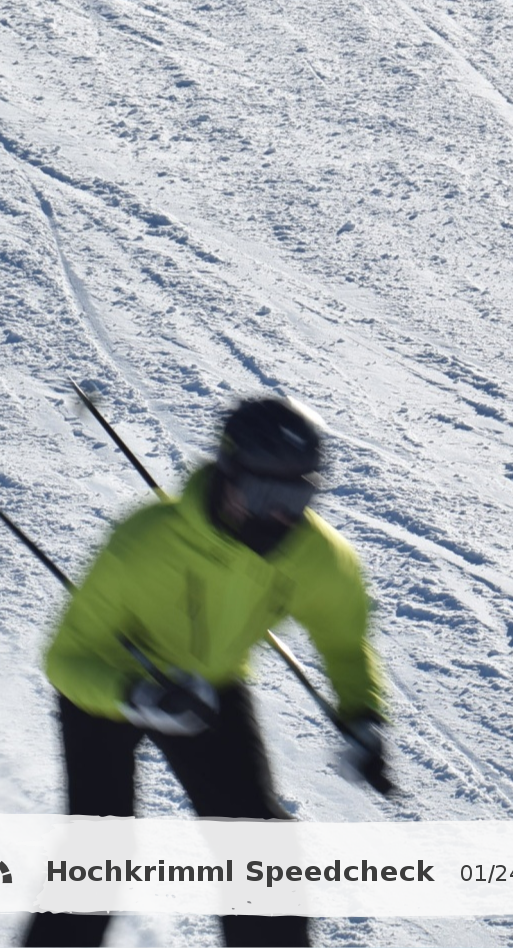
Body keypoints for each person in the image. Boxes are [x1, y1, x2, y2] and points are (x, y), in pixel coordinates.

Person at [24, 398, 387, 948]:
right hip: (112, 684)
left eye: (298, 498)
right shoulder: (145, 543)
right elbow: (66, 658)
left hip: (209, 686)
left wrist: (363, 714)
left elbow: (344, 640)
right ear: (228, 474)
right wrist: (135, 696)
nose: (281, 516)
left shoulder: (318, 557)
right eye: (264, 494)